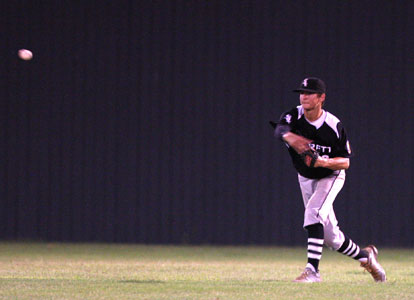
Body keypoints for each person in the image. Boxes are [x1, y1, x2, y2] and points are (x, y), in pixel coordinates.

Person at [273, 77, 386, 283]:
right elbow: (279, 130)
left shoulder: (333, 125)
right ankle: (366, 257)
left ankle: (312, 271)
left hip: (330, 176)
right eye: (302, 92)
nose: (304, 96)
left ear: (321, 97)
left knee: (313, 212)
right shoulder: (293, 116)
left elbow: (345, 162)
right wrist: (291, 137)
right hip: (305, 177)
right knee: (329, 236)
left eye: (309, 93)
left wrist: (323, 163)